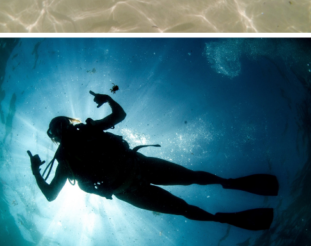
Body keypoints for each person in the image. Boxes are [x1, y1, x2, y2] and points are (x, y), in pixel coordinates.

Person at [27, 91, 278, 231]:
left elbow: (120, 115)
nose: (62, 130)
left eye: (62, 123)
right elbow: (50, 195)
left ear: (70, 123)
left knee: (190, 177)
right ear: (54, 137)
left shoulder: (91, 130)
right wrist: (37, 173)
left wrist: (109, 99)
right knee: (183, 209)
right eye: (56, 130)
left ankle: (229, 182)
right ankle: (223, 218)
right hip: (129, 192)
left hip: (140, 165)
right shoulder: (65, 164)